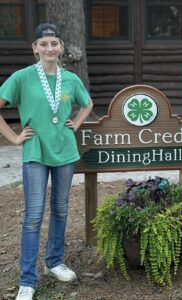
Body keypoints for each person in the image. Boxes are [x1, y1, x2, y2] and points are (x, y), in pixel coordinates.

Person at [0, 23, 93, 300]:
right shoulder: (22, 77)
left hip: (64, 151)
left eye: (54, 43)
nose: (49, 48)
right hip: (36, 152)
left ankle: (54, 261)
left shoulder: (71, 79)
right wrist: (14, 138)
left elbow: (87, 104)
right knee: (33, 216)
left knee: (61, 208)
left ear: (61, 47)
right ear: (35, 48)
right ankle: (27, 280)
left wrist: (74, 125)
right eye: (44, 44)